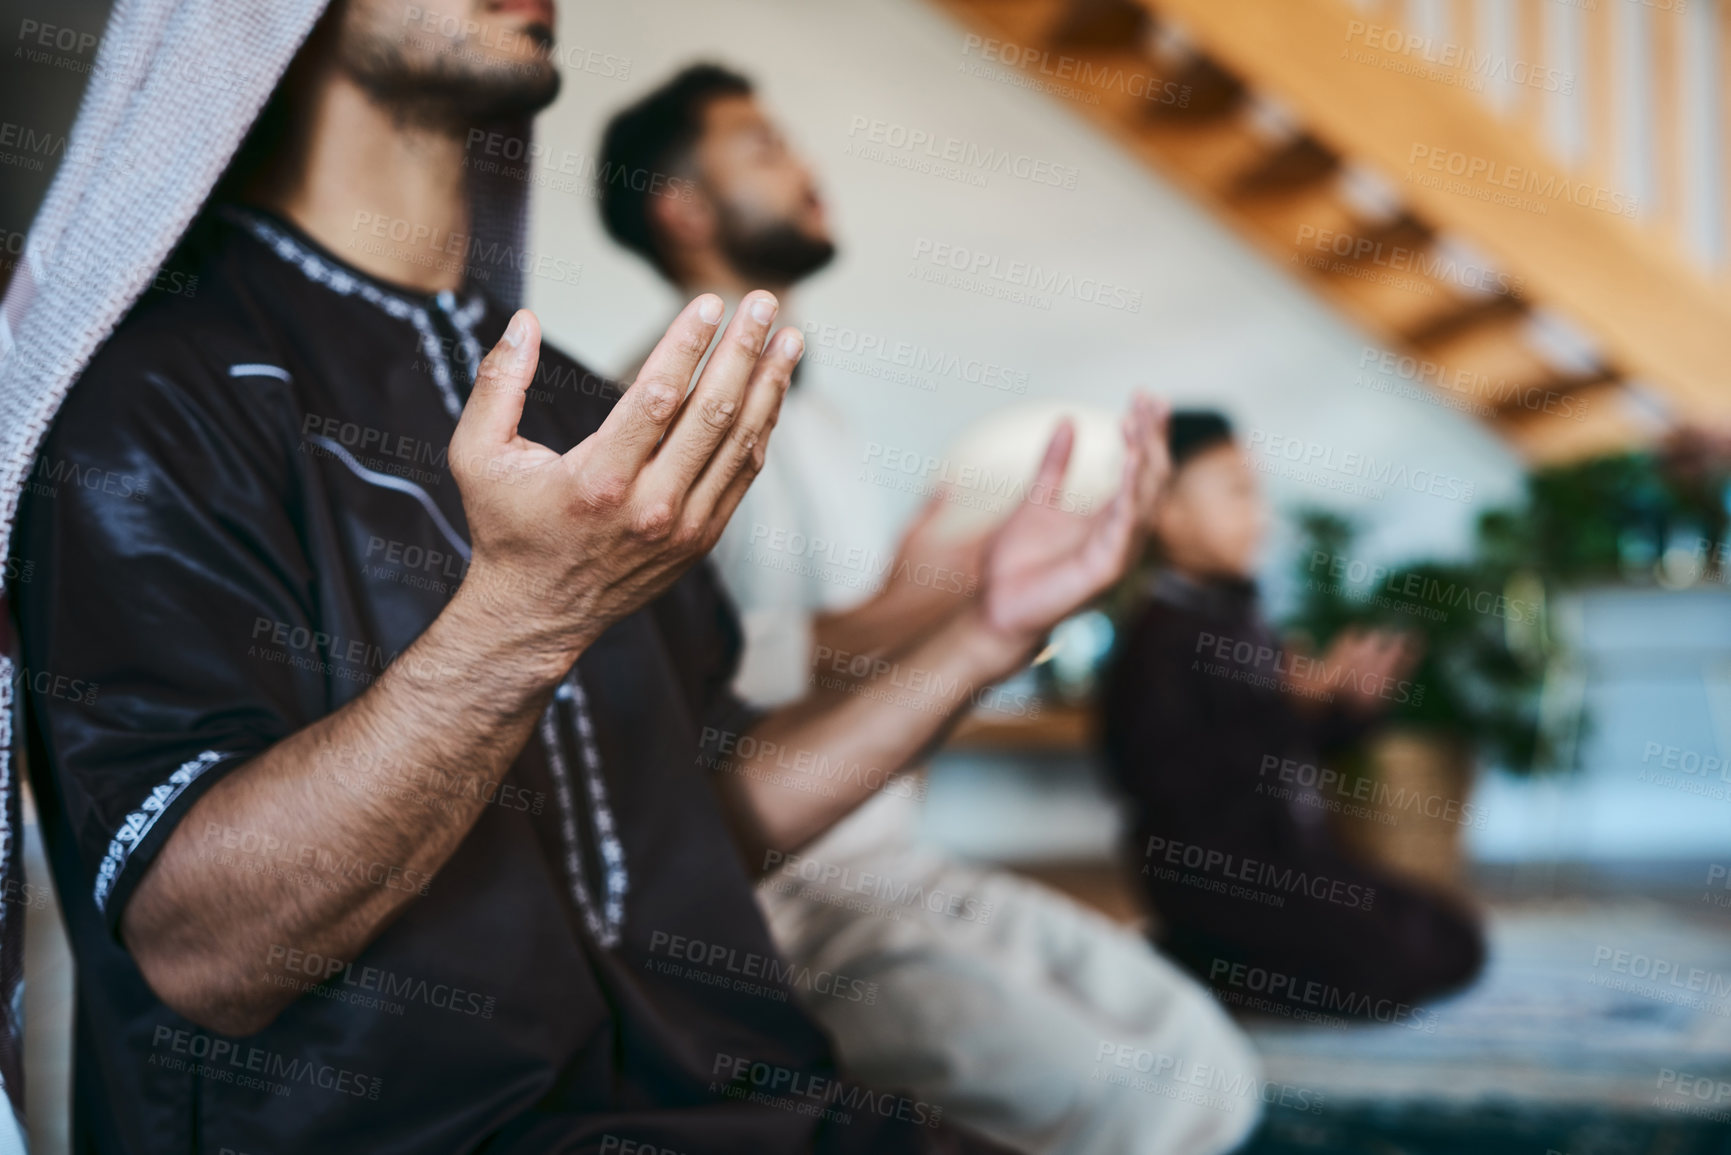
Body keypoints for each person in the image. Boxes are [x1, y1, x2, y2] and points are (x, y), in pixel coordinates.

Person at [2, 2, 1173, 1151]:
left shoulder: (580, 408)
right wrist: (526, 615)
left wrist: (981, 633)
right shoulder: (152, 397)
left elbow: (695, 822)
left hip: (743, 1100)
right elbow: (204, 951)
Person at [597, 65, 1265, 1155]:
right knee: (1144, 1106)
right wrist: (936, 604)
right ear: (681, 209)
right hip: (778, 892)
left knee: (1201, 1059)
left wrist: (974, 591)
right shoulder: (663, 415)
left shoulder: (823, 421)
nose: (807, 168)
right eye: (762, 148)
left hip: (893, 853)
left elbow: (838, 634)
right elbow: (711, 680)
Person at [1101, 411, 1486, 1022]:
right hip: (1220, 881)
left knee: (1451, 933)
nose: (1259, 515)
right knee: (1390, 968)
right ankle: (1193, 962)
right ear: (1167, 513)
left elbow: (1290, 750)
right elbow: (1172, 782)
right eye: (1235, 491)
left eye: (1256, 493)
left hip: (1295, 865)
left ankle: (1215, 967)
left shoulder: (1237, 616)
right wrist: (1287, 709)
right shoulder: (1159, 638)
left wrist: (1346, 708)